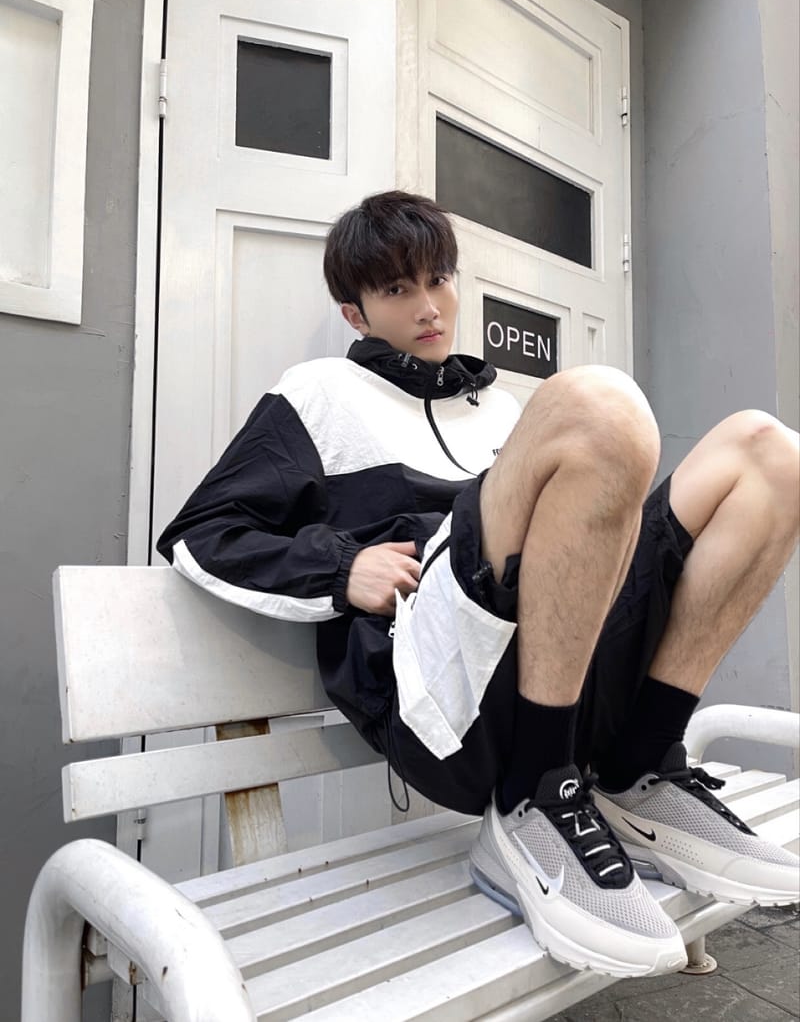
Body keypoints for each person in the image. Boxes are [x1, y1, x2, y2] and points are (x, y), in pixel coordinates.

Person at [158, 190, 800, 978]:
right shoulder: (317, 396)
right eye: (398, 289)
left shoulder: (500, 412)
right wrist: (341, 568)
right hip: (444, 704)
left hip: (563, 678)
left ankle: (637, 766)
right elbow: (202, 532)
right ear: (355, 313)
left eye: (439, 279)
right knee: (601, 407)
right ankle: (534, 792)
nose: (429, 307)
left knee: (769, 454)